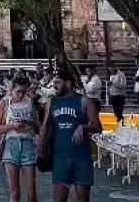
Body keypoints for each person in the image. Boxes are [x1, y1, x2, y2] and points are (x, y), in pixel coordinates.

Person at [38, 66, 102, 202]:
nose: (54, 86)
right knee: (59, 198)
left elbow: (97, 126)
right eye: (53, 83)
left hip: (81, 157)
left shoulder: (84, 101)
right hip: (60, 156)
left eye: (57, 83)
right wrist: (40, 150)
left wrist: (83, 127)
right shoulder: (51, 102)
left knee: (82, 198)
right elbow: (45, 126)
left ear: (68, 83)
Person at [0, 74, 39, 202]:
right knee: (14, 192)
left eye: (24, 92)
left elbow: (38, 128)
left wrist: (30, 123)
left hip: (27, 144)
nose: (20, 95)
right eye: (18, 92)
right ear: (12, 89)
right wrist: (12, 126)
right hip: (11, 144)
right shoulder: (5, 102)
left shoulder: (29, 102)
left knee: (31, 191)